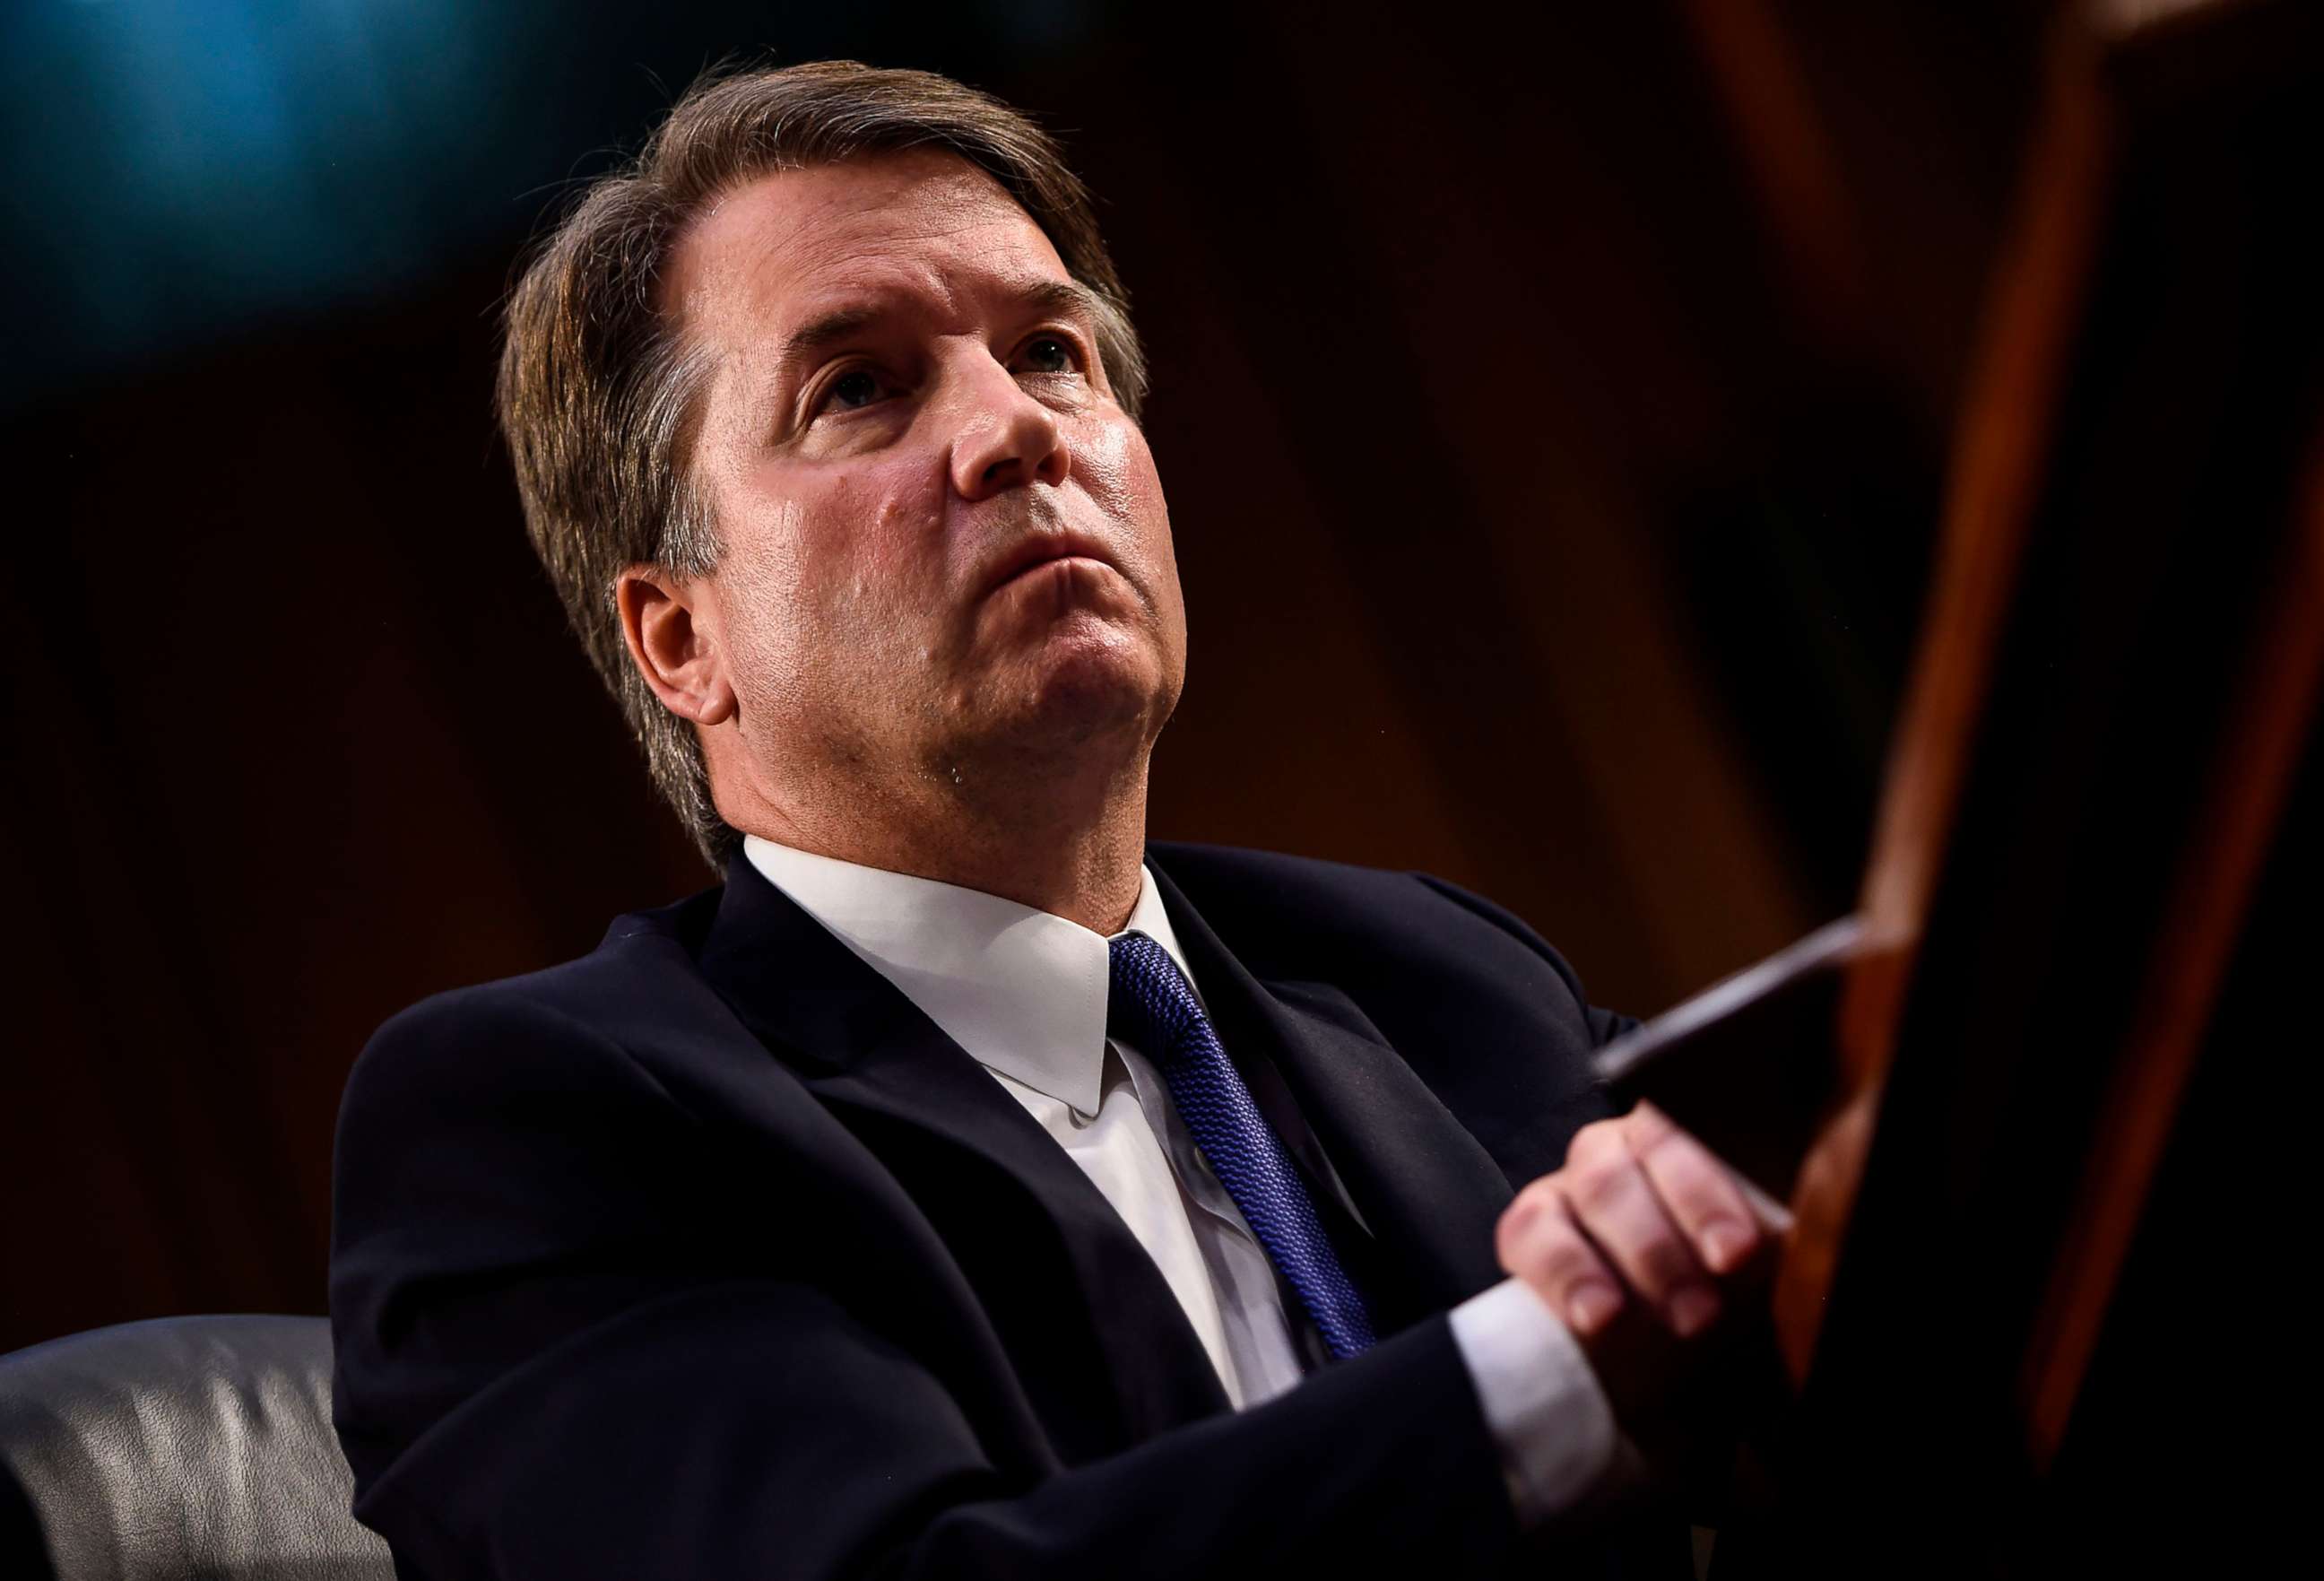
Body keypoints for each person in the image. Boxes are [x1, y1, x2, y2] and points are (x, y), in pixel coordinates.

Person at [328, 59, 1782, 1579]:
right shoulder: (547, 1127)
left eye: (1052, 352)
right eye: (860, 387)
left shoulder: (1432, 974)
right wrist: (1550, 1375)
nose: (1016, 431)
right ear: (683, 639)